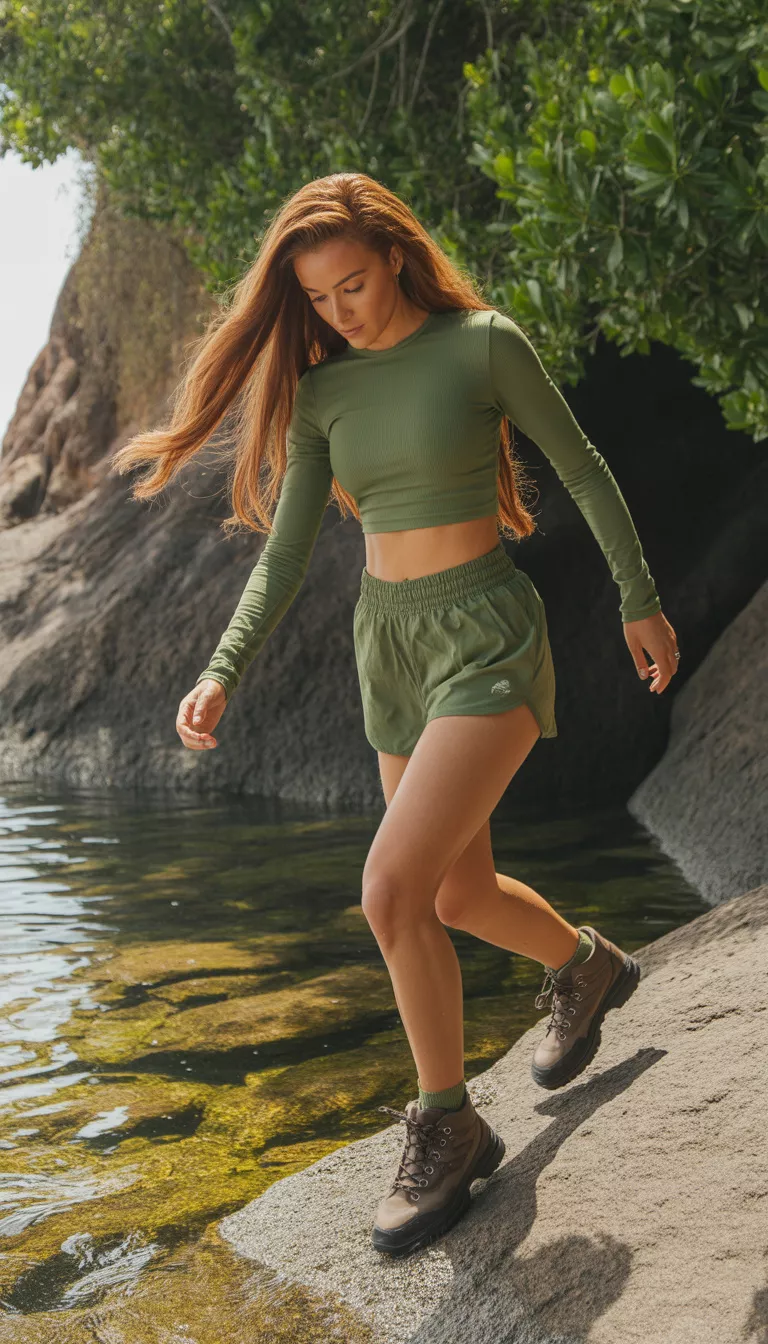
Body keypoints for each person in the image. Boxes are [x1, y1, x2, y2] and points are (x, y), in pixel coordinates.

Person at [114, 171, 680, 1260]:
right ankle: (586, 964)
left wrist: (640, 599)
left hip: (483, 636)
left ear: (397, 256)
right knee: (456, 892)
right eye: (320, 300)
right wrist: (222, 667)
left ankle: (448, 1125)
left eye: (356, 286)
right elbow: (287, 552)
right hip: (389, 647)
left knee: (387, 889)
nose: (341, 312)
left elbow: (585, 469)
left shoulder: (481, 344)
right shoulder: (325, 392)